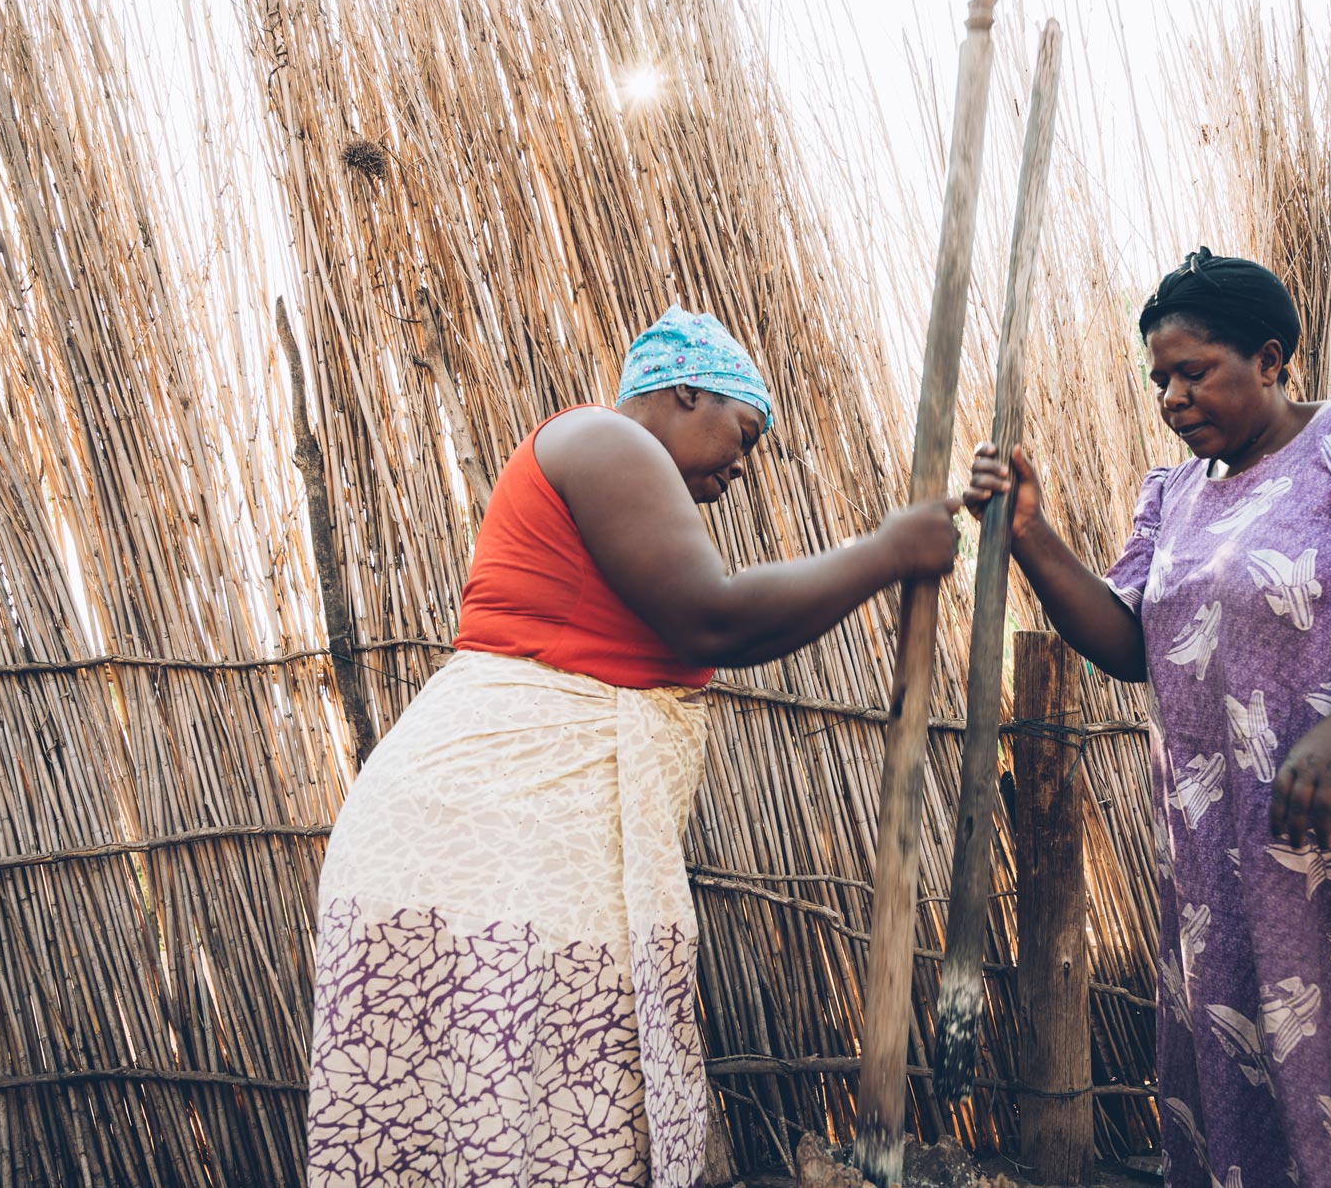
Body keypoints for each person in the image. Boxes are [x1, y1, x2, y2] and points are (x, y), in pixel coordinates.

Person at [306, 305, 960, 1185]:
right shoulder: (602, 440)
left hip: (503, 850)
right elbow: (712, 619)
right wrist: (885, 551)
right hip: (479, 848)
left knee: (529, 1126)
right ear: (687, 389)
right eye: (743, 431)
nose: (744, 463)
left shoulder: (619, 471)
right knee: (517, 1127)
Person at [965, 250, 1331, 1187]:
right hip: (1233, 860)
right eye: (1160, 378)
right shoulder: (1175, 497)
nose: (1171, 397)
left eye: (1194, 372)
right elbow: (1130, 646)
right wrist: (1030, 531)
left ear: (1271, 358)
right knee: (1265, 1089)